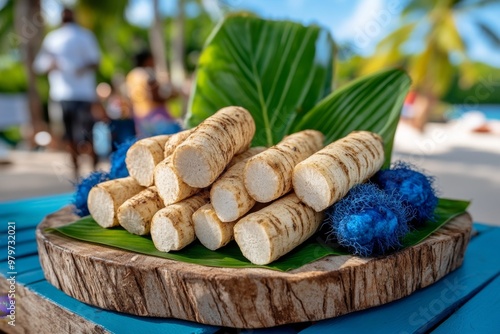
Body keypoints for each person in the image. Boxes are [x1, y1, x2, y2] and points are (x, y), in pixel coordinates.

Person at [33, 8, 101, 178]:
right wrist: (53, 65)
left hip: (76, 95)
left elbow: (94, 62)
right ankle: (83, 174)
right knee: (77, 135)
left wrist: (79, 68)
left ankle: (86, 172)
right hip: (66, 94)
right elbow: (40, 65)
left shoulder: (80, 36)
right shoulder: (56, 38)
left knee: (79, 135)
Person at [125, 50, 180, 138]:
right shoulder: (147, 73)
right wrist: (171, 96)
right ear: (147, 60)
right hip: (157, 118)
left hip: (140, 118)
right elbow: (154, 96)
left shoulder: (131, 76)